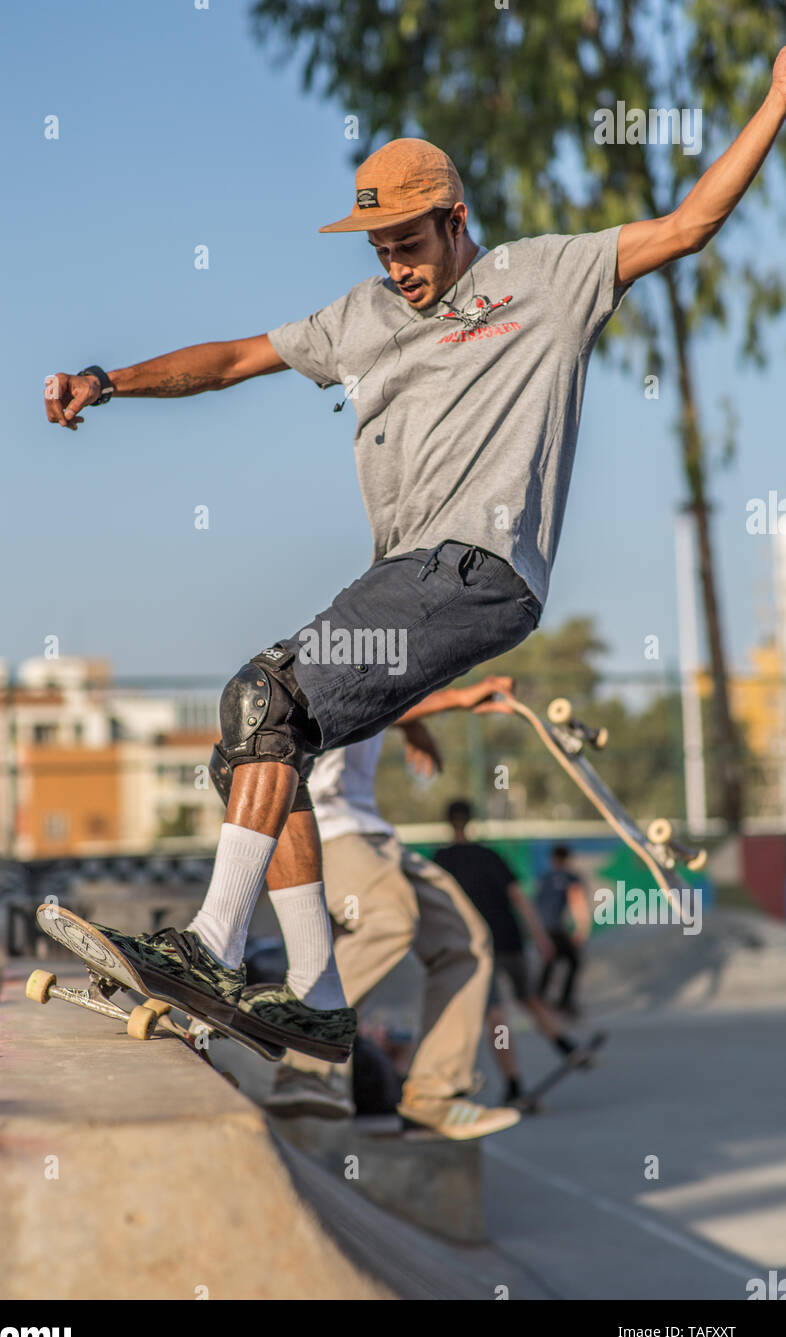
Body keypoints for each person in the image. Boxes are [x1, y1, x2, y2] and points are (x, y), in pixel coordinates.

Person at [42, 69, 786, 1063]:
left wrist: (774, 100)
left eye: (409, 246)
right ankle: (315, 1000)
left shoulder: (545, 278)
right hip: (403, 575)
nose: (397, 269)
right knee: (257, 741)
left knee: (267, 697)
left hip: (482, 568)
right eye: (381, 251)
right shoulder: (355, 319)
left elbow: (689, 223)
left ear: (454, 220)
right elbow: (229, 361)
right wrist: (109, 380)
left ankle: (211, 946)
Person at [266, 675, 522, 1139]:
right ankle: (303, 1065)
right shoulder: (344, 650)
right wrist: (452, 702)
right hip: (321, 824)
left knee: (465, 940)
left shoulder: (394, 665)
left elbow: (390, 698)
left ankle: (433, 1094)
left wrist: (412, 724)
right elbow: (361, 699)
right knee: (386, 919)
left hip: (373, 832)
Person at [434, 802, 581, 1105]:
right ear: (471, 822)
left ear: (449, 824)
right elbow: (519, 898)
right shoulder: (490, 856)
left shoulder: (442, 860)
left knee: (496, 1014)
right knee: (528, 998)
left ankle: (514, 1084)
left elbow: (437, 908)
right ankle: (566, 1045)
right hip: (510, 939)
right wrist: (540, 937)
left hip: (479, 946)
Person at [536, 845, 590, 1017]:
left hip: (543, 928)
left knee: (550, 961)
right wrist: (581, 928)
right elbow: (577, 901)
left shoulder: (544, 878)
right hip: (557, 928)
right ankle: (563, 1003)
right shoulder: (570, 877)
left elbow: (536, 904)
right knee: (573, 962)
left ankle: (540, 999)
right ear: (567, 859)